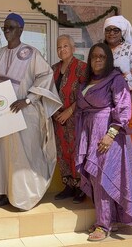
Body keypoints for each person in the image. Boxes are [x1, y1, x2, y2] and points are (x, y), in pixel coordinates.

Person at [0, 13, 62, 210]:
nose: (7, 31)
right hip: (1, 115)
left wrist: (27, 99)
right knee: (1, 153)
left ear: (21, 29)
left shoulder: (32, 53)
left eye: (11, 27)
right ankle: (1, 192)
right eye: (5, 28)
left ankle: (23, 197)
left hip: (25, 114)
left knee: (23, 155)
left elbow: (45, 77)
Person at [76, 43, 132, 241]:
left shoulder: (115, 80)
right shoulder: (87, 81)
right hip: (89, 133)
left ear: (108, 60)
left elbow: (124, 106)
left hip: (107, 135)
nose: (97, 60)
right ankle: (110, 219)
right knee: (97, 178)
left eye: (102, 57)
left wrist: (111, 133)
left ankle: (102, 225)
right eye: (94, 57)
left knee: (103, 178)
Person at [103, 15, 132, 188]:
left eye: (115, 30)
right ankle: (109, 183)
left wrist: (125, 105)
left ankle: (130, 186)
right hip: (103, 105)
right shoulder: (101, 50)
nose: (111, 33)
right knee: (106, 141)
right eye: (108, 30)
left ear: (122, 32)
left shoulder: (131, 50)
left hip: (126, 104)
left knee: (126, 142)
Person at [51, 34, 87, 203]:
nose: (62, 49)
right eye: (59, 47)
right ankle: (68, 185)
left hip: (75, 118)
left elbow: (85, 93)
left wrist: (69, 111)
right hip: (57, 119)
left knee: (76, 151)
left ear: (73, 48)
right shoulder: (53, 69)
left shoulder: (82, 67)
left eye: (65, 46)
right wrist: (55, 112)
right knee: (62, 150)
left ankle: (80, 187)